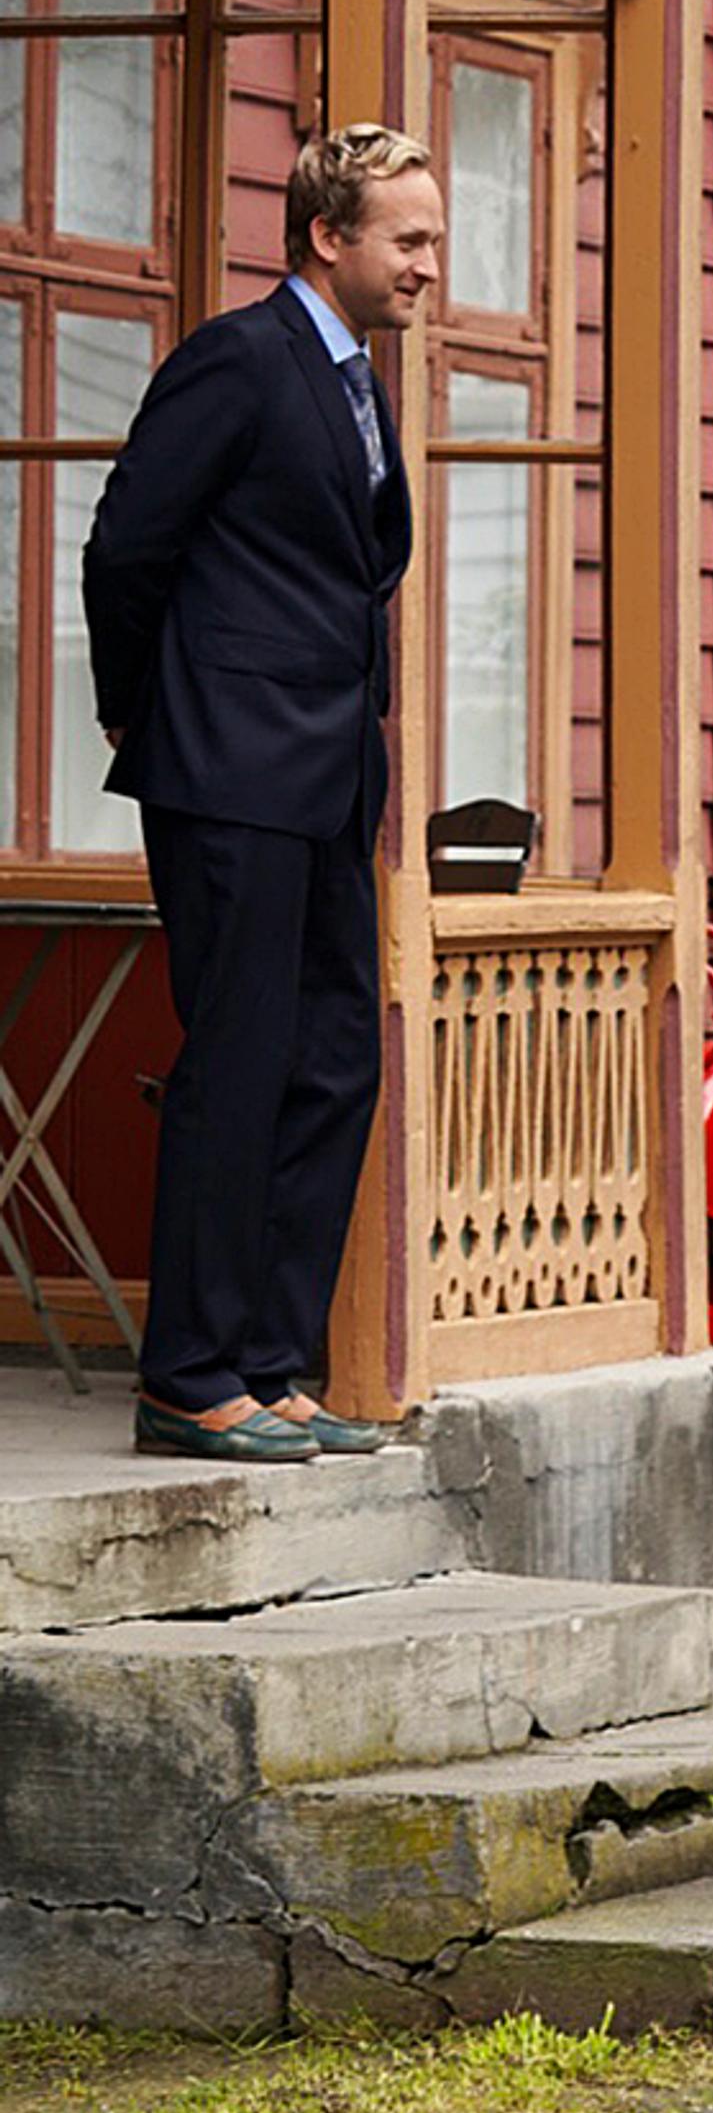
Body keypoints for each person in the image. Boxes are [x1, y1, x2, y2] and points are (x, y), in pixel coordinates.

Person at [82, 123, 435, 1466]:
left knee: (335, 1058)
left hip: (330, 777)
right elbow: (128, 546)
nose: (427, 265)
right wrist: (141, 707)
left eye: (433, 240)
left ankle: (267, 1365)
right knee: (236, 1062)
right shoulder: (238, 358)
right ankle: (188, 1376)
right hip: (228, 768)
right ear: (328, 237)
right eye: (408, 239)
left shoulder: (357, 383)